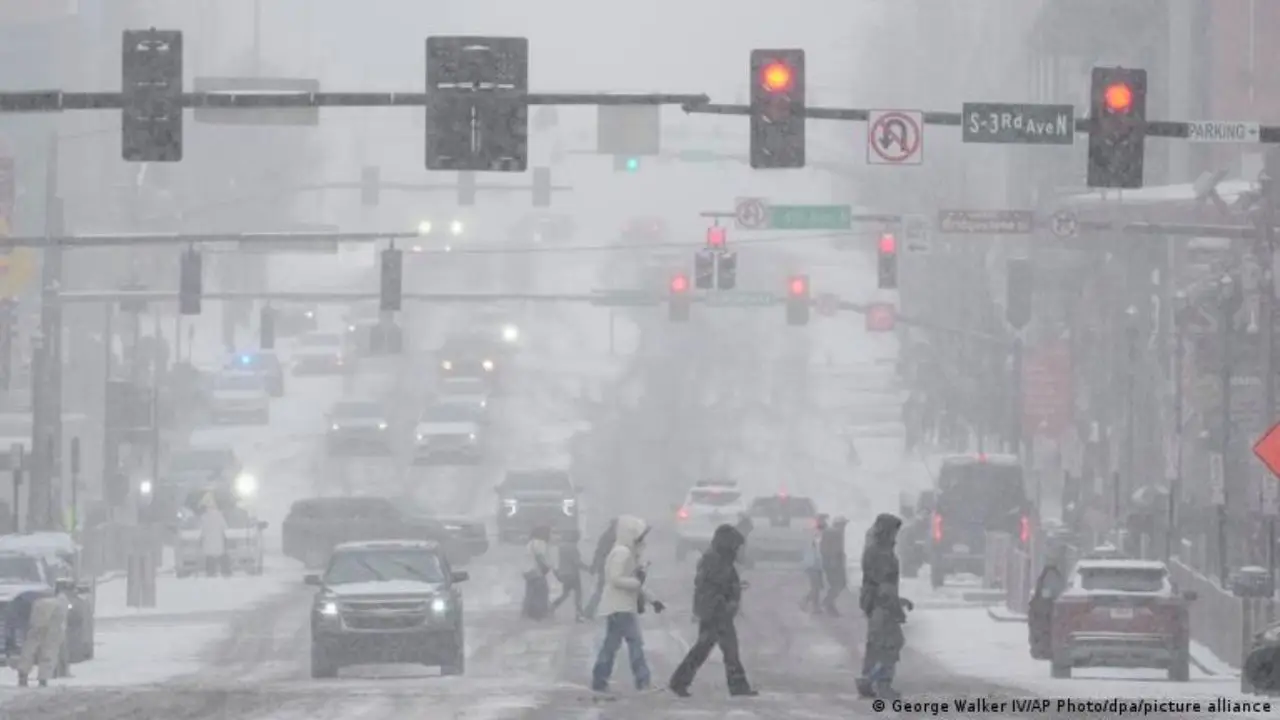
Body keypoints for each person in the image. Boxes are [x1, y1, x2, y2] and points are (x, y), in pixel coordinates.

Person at [668, 524, 757, 698]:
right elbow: (711, 587)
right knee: (722, 649)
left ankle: (680, 682)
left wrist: (735, 589)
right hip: (716, 612)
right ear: (728, 544)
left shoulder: (719, 559)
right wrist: (725, 602)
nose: (739, 550)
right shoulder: (715, 560)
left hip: (716, 611)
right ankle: (736, 687)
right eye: (737, 546)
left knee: (709, 649)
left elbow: (719, 584)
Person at [590, 515, 664, 692]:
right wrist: (637, 581)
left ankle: (600, 680)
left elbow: (634, 582)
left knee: (611, 645)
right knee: (634, 643)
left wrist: (653, 600)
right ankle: (642, 680)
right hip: (620, 607)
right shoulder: (622, 553)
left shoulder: (625, 552)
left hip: (619, 607)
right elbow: (616, 579)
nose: (641, 541)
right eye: (638, 537)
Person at [856, 513, 912, 699]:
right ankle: (879, 682)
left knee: (877, 644)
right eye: (894, 531)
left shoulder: (876, 549)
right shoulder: (881, 552)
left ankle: (869, 679)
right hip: (882, 604)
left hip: (875, 602)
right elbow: (884, 583)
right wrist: (896, 606)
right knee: (891, 643)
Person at [6, 581, 71, 687]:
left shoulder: (18, 602)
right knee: (50, 647)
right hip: (54, 608)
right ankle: (43, 678)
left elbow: (19, 621)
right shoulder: (53, 595)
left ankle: (23, 673)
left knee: (31, 644)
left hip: (40, 607)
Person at [551, 529, 590, 621]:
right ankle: (579, 614)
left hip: (563, 573)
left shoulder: (561, 546)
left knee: (565, 593)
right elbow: (577, 562)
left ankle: (552, 607)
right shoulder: (573, 547)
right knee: (578, 594)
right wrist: (588, 568)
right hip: (572, 574)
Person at [583, 517, 617, 619]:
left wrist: (595, 566)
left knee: (602, 590)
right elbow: (601, 552)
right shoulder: (613, 537)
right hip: (611, 567)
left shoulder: (606, 536)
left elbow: (598, 552)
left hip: (607, 566)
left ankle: (589, 611)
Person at [820, 516, 849, 615]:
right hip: (834, 563)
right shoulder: (836, 533)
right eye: (843, 524)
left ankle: (829, 603)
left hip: (830, 562)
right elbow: (834, 550)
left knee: (837, 584)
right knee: (839, 584)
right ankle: (828, 602)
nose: (844, 526)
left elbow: (823, 548)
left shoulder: (830, 532)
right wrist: (834, 561)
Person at [523, 525, 553, 620]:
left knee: (530, 593)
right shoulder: (540, 543)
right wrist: (545, 567)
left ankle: (526, 613)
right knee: (543, 592)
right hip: (537, 571)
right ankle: (540, 614)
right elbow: (539, 557)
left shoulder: (530, 543)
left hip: (527, 572)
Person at [198, 492, 229, 577]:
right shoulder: (219, 516)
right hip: (218, 540)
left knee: (210, 556)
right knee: (220, 554)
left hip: (208, 541)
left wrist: (201, 539)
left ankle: (211, 572)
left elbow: (201, 530)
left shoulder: (203, 517)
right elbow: (225, 528)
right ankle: (225, 571)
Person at [802, 515, 828, 613]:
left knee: (817, 587)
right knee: (816, 587)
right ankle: (809, 604)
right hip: (813, 565)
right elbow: (818, 552)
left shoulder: (817, 534)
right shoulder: (818, 535)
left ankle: (812, 605)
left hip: (815, 565)